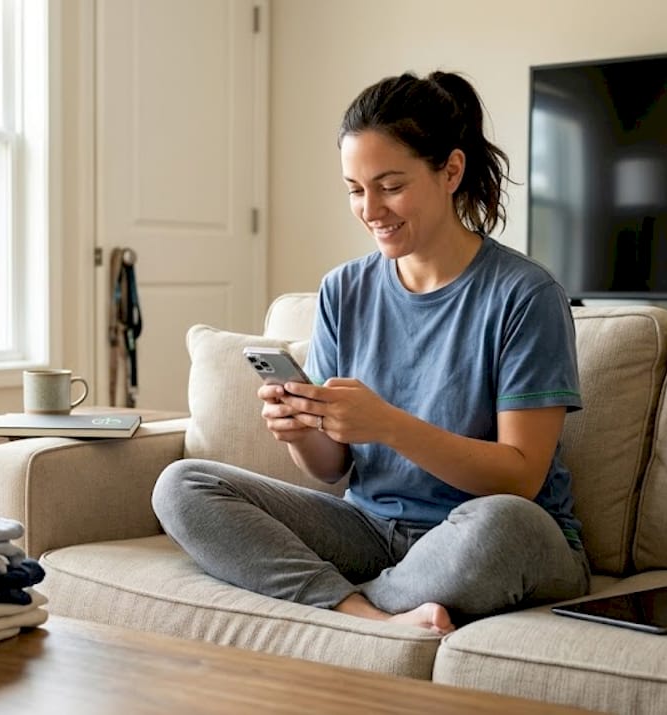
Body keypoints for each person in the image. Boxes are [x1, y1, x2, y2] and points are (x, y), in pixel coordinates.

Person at [152, 71, 590, 635]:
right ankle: (364, 614)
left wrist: (387, 424)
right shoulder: (344, 289)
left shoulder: (525, 295)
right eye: (356, 190)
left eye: (390, 186)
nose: (371, 209)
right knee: (182, 486)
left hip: (484, 533)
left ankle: (349, 607)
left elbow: (521, 478)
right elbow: (331, 469)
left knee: (506, 526)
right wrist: (301, 431)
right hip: (370, 529)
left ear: (451, 171)